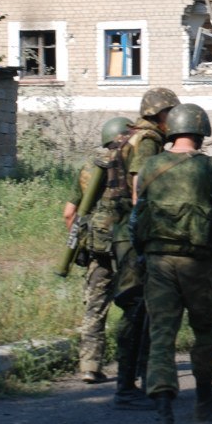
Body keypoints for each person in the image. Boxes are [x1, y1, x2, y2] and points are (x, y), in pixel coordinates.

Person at [135, 103, 212, 424]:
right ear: (201, 132)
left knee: (162, 336)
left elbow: (135, 219)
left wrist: (144, 255)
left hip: (159, 263)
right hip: (199, 263)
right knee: (204, 331)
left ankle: (164, 414)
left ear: (172, 132)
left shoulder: (149, 167)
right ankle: (203, 399)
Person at [109, 87, 179, 408]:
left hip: (123, 231)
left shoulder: (128, 136)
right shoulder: (148, 140)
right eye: (171, 114)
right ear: (159, 114)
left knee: (140, 308)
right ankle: (126, 387)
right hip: (134, 234)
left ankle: (140, 376)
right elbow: (140, 189)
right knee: (138, 308)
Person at [65, 116, 134, 385]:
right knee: (134, 305)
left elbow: (69, 213)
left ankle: (90, 366)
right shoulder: (136, 167)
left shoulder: (88, 169)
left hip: (98, 248)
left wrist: (79, 245)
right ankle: (134, 365)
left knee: (95, 308)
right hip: (128, 248)